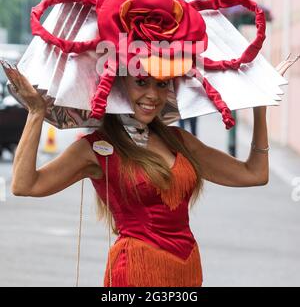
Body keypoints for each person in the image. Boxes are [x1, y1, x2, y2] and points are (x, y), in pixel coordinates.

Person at [1, 56, 298, 287]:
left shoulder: (179, 140)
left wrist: (260, 110)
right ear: (118, 84)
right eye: (141, 82)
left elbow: (253, 174)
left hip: (187, 269)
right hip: (136, 271)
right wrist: (36, 113)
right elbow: (25, 185)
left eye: (161, 83)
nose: (153, 95)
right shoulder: (95, 147)